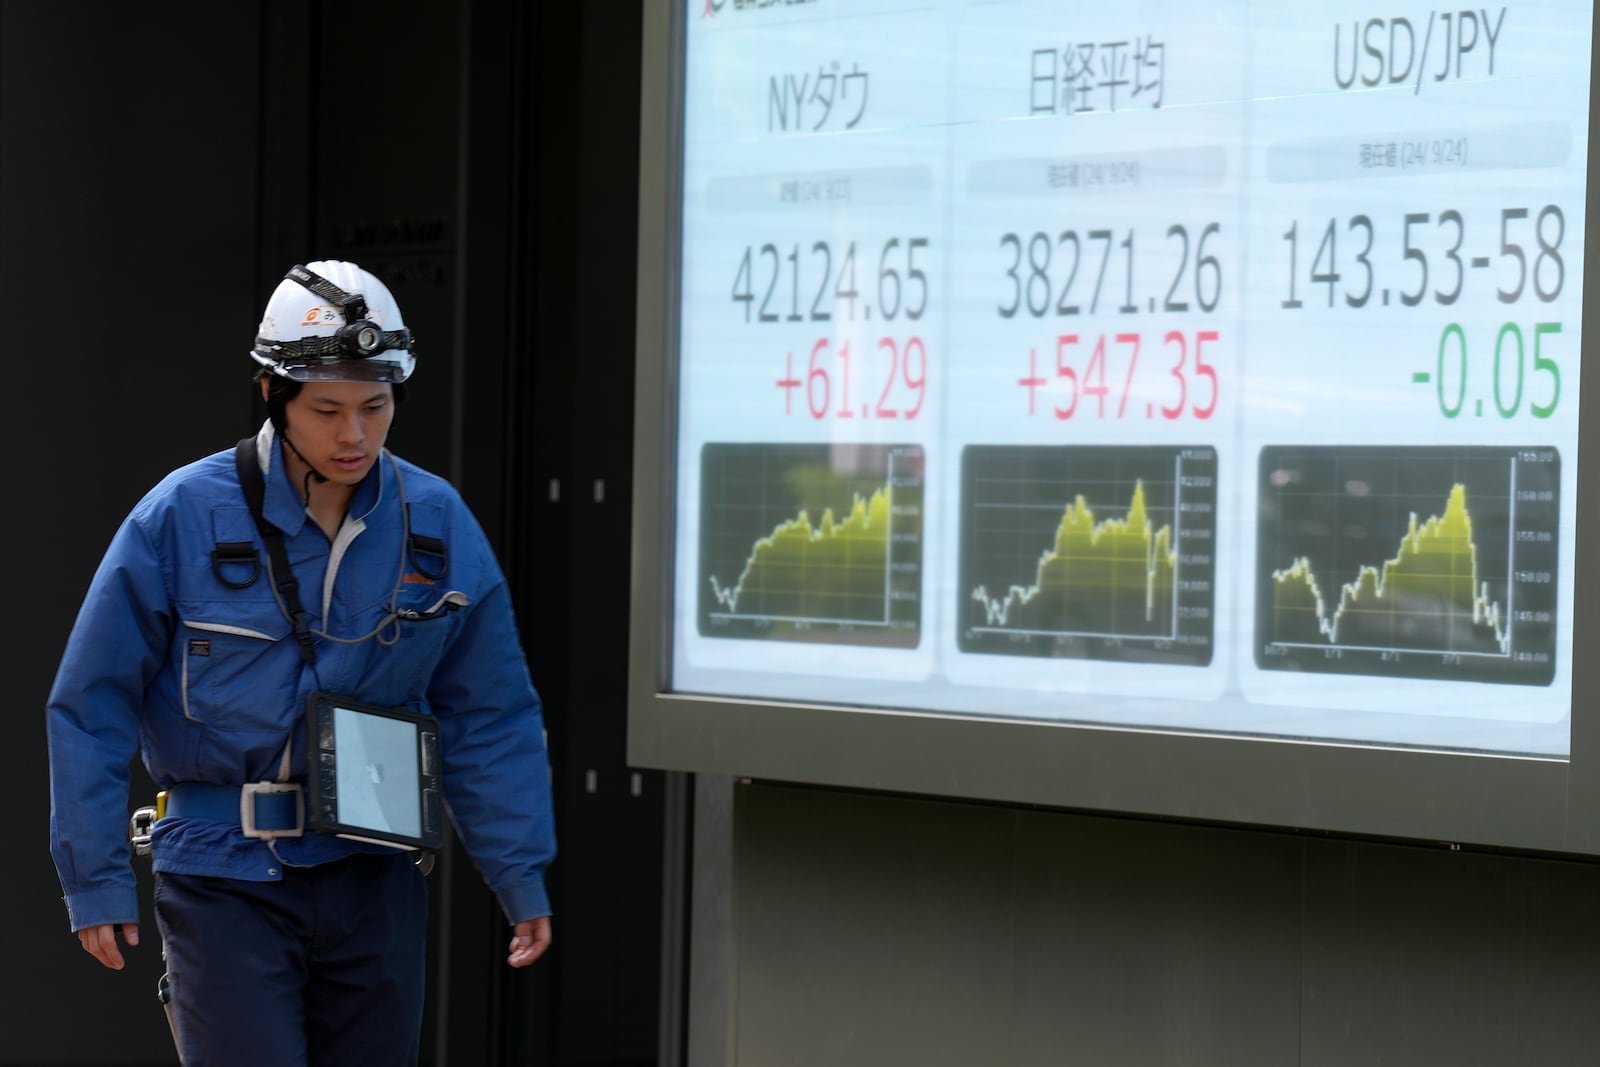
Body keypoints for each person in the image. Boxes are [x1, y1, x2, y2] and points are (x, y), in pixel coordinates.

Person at [46, 261, 557, 1065]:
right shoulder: (179, 516)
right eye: (327, 410)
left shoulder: (438, 522)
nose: (354, 435)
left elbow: (490, 712)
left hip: (375, 877)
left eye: (375, 407)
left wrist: (518, 871)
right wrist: (95, 878)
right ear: (272, 396)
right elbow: (90, 703)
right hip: (222, 876)